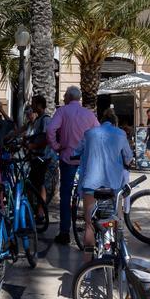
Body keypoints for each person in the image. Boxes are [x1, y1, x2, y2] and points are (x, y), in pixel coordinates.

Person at [76, 108, 133, 255]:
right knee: (116, 221)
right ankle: (116, 253)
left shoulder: (89, 133)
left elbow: (76, 151)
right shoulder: (121, 134)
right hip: (114, 185)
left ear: (101, 121)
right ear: (115, 123)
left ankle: (86, 271)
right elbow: (128, 157)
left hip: (91, 184)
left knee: (89, 224)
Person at [47, 85, 99, 245]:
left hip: (68, 158)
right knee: (90, 195)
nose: (63, 98)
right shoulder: (89, 114)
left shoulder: (62, 111)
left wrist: (56, 146)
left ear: (68, 97)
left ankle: (64, 233)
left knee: (65, 195)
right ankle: (91, 229)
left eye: (64, 96)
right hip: (85, 161)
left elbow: (50, 129)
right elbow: (98, 133)